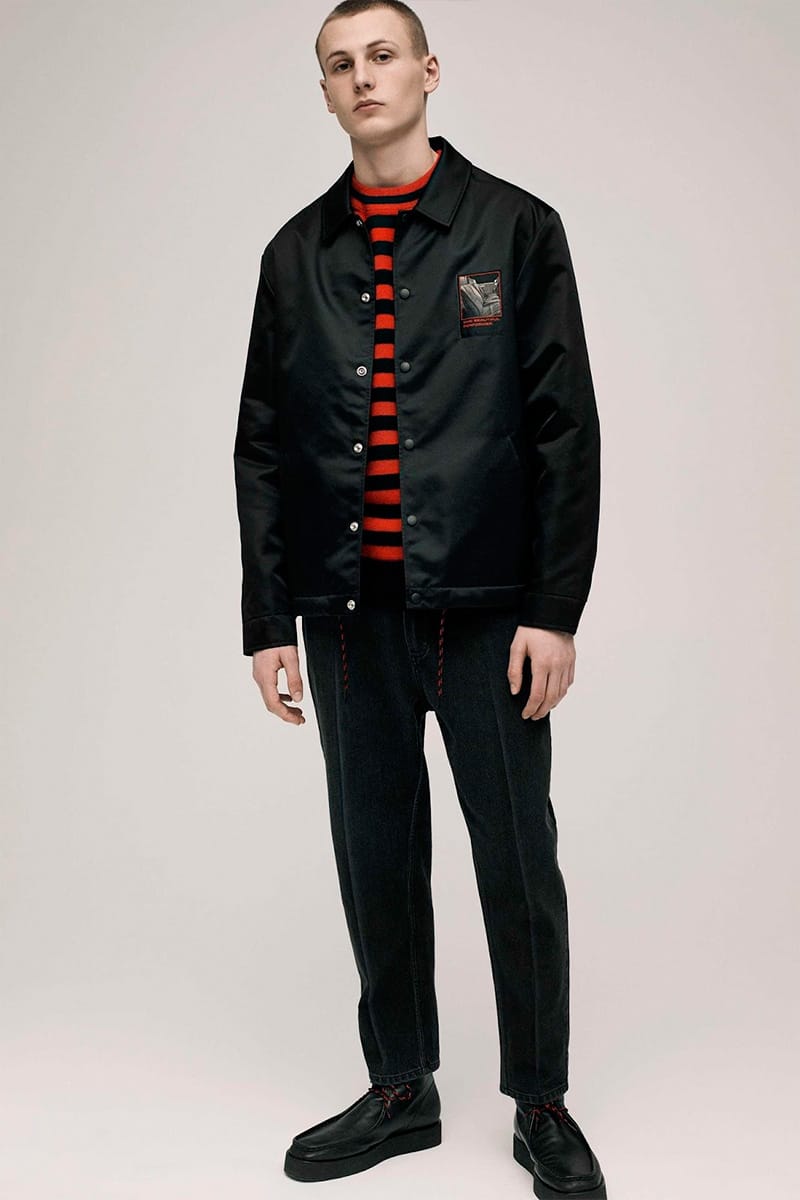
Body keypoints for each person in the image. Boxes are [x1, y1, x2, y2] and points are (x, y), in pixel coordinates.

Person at [232, 1, 607, 1195]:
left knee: (515, 857)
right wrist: (267, 620)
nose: (363, 77)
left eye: (382, 55)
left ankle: (539, 1102)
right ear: (325, 92)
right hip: (346, 617)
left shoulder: (515, 227)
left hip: (488, 611)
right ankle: (401, 1089)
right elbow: (260, 445)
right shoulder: (294, 255)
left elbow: (563, 428)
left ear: (427, 71)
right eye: (339, 64)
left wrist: (553, 609)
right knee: (374, 857)